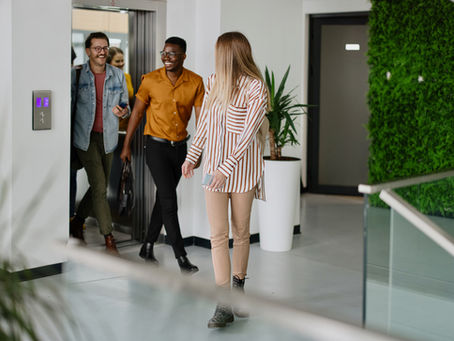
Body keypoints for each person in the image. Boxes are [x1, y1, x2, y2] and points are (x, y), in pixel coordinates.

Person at [181, 31, 269, 328]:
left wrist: (225, 168)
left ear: (231, 53)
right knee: (218, 235)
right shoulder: (213, 81)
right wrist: (192, 156)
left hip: (242, 172)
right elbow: (205, 123)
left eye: (219, 51)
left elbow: (246, 136)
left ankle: (239, 290)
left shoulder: (256, 88)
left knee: (241, 232)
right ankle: (223, 303)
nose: (215, 56)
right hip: (213, 170)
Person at [120, 37, 204, 273]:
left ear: (183, 56)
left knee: (163, 198)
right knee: (169, 200)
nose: (166, 58)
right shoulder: (150, 80)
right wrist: (126, 146)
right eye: (164, 53)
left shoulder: (196, 82)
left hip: (180, 149)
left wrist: (198, 151)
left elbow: (203, 121)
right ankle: (181, 256)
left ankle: (147, 246)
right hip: (155, 147)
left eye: (172, 54)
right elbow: (136, 114)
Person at [70, 32, 130, 253]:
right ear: (88, 51)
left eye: (105, 47)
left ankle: (77, 222)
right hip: (84, 139)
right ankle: (109, 237)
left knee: (99, 186)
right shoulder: (76, 76)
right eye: (97, 48)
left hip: (108, 137)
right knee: (99, 186)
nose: (102, 51)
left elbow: (126, 105)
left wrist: (123, 110)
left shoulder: (117, 75)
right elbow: (70, 108)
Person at [107, 47, 134, 131]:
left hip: (125, 126)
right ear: (109, 63)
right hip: (109, 127)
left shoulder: (127, 77)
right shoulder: (105, 79)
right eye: (117, 61)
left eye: (122, 60)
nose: (121, 63)